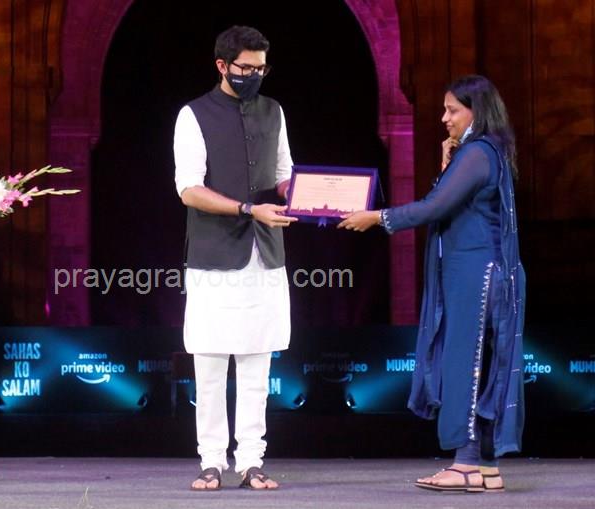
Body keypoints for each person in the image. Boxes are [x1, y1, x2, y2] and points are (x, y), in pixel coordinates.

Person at [338, 74, 526, 493]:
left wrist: (378, 218)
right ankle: (486, 466)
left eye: (452, 110)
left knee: (466, 364)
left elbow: (434, 208)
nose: (444, 118)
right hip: (478, 271)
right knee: (482, 365)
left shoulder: (478, 153)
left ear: (476, 112)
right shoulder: (481, 152)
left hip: (478, 274)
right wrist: (446, 165)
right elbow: (451, 205)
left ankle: (465, 464)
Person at [173, 25, 297, 491]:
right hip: (213, 255)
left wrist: (316, 194)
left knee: (256, 362)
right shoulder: (193, 115)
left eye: (262, 68)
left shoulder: (273, 111)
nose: (255, 76)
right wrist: (247, 208)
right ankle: (211, 461)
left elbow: (284, 174)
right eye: (246, 68)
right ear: (222, 65)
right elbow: (189, 189)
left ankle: (251, 461)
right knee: (209, 362)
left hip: (265, 253)